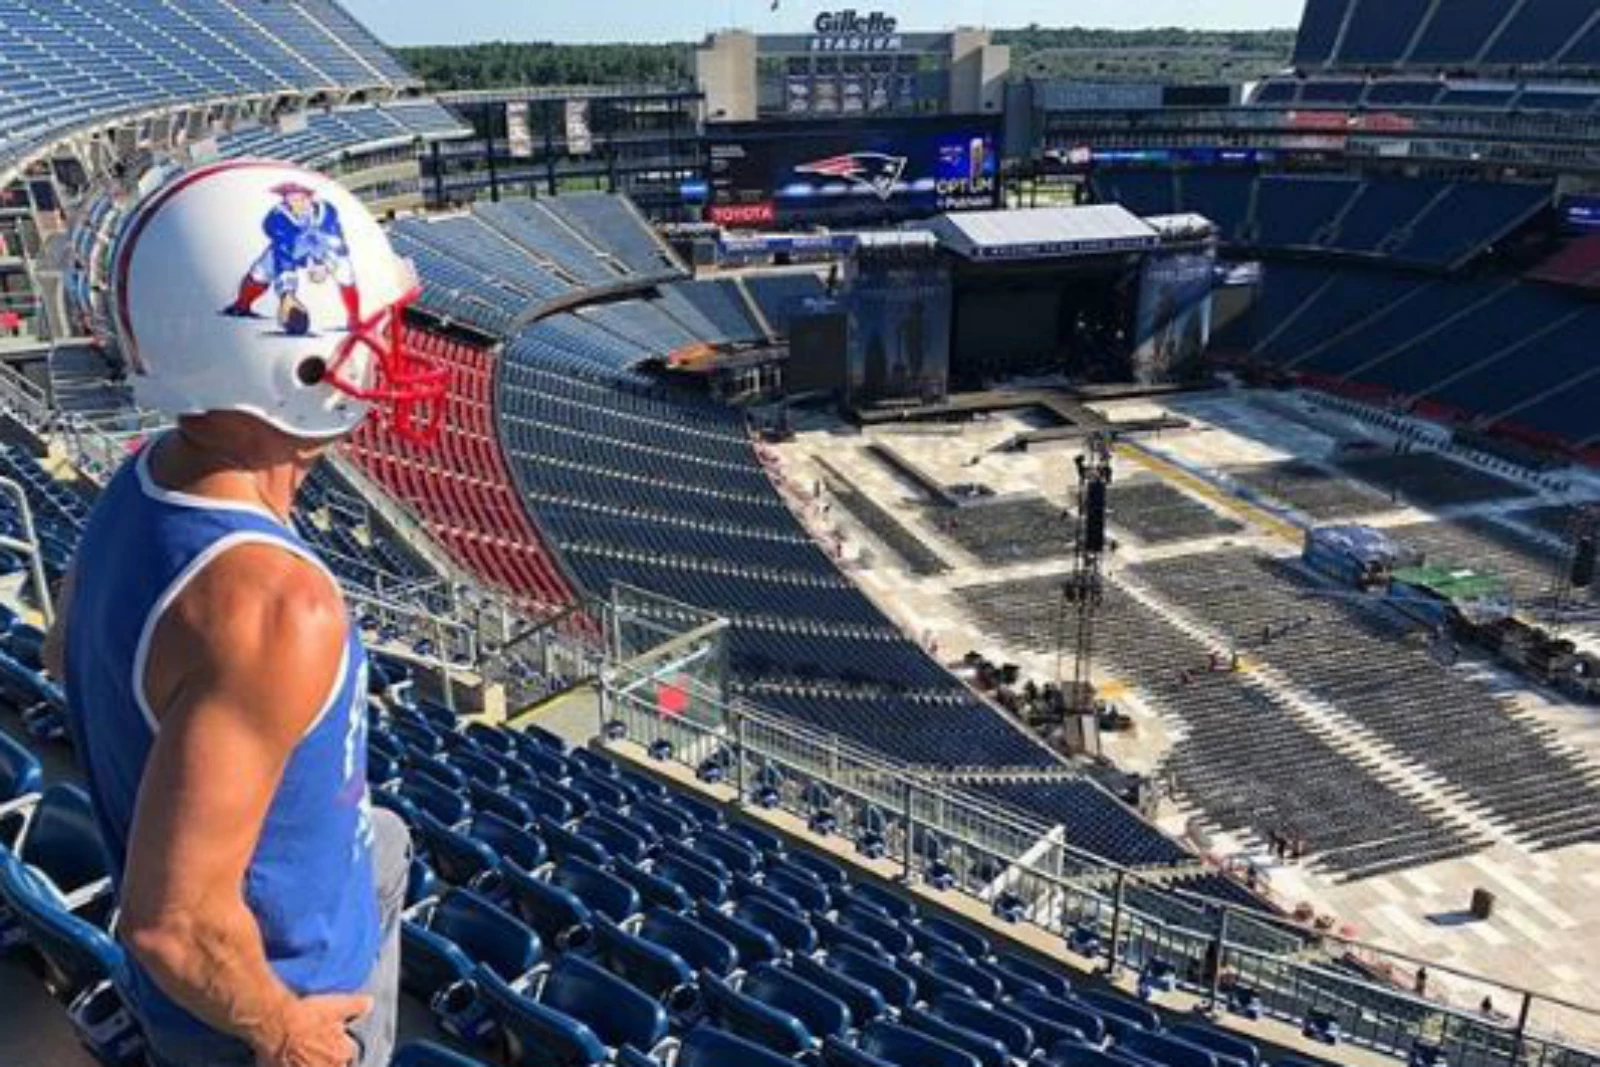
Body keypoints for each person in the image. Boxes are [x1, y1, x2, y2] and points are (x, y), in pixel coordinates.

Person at [43, 161, 446, 1067]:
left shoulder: (144, 475)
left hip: (311, 886)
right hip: (273, 1002)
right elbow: (176, 926)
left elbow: (66, 642)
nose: (381, 353)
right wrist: (282, 1029)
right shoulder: (277, 606)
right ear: (289, 363)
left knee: (385, 840)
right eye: (363, 334)